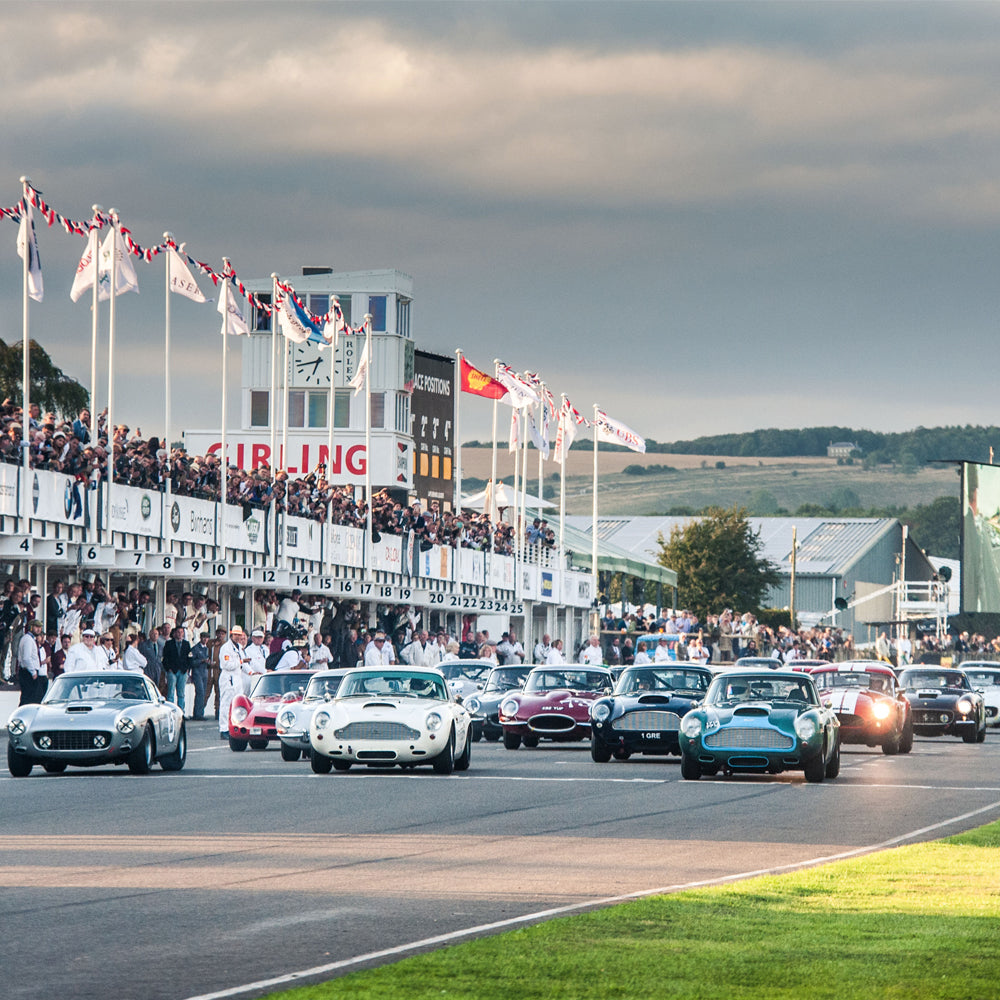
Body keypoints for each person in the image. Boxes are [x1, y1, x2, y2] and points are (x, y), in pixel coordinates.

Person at [218, 625, 250, 739]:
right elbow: (227, 665)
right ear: (231, 634)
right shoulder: (226, 648)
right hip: (228, 678)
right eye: (235, 635)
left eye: (239, 635)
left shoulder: (239, 647)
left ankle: (235, 727)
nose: (237, 637)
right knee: (226, 703)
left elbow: (243, 664)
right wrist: (241, 661)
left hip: (237, 678)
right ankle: (224, 729)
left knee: (238, 704)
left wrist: (251, 672)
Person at [162, 626, 192, 713]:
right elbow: (165, 658)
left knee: (181, 693)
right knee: (170, 692)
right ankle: (170, 712)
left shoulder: (186, 644)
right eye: (178, 632)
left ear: (183, 633)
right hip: (172, 670)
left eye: (181, 632)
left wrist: (187, 669)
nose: (179, 634)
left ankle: (181, 712)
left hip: (183, 671)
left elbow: (189, 657)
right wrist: (168, 669)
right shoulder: (169, 643)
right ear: (174, 633)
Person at [17, 619, 46, 705]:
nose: (39, 629)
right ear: (30, 627)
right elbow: (26, 658)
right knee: (28, 698)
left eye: (40, 627)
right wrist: (33, 672)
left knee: (31, 697)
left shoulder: (30, 639)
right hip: (28, 673)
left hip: (29, 672)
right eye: (36, 627)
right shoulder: (28, 640)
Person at [189, 632, 211, 719]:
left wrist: (209, 663)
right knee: (200, 692)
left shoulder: (207, 649)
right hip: (197, 673)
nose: (205, 639)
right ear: (200, 637)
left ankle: (200, 713)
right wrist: (201, 660)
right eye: (204, 637)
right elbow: (191, 662)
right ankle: (197, 714)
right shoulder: (195, 649)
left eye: (207, 638)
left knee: (203, 693)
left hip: (205, 673)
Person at [245, 628, 269, 692]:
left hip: (265, 675)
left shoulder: (265, 648)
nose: (259, 639)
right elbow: (253, 664)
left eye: (260, 637)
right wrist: (266, 671)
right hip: (255, 676)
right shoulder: (248, 650)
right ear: (253, 638)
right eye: (257, 637)